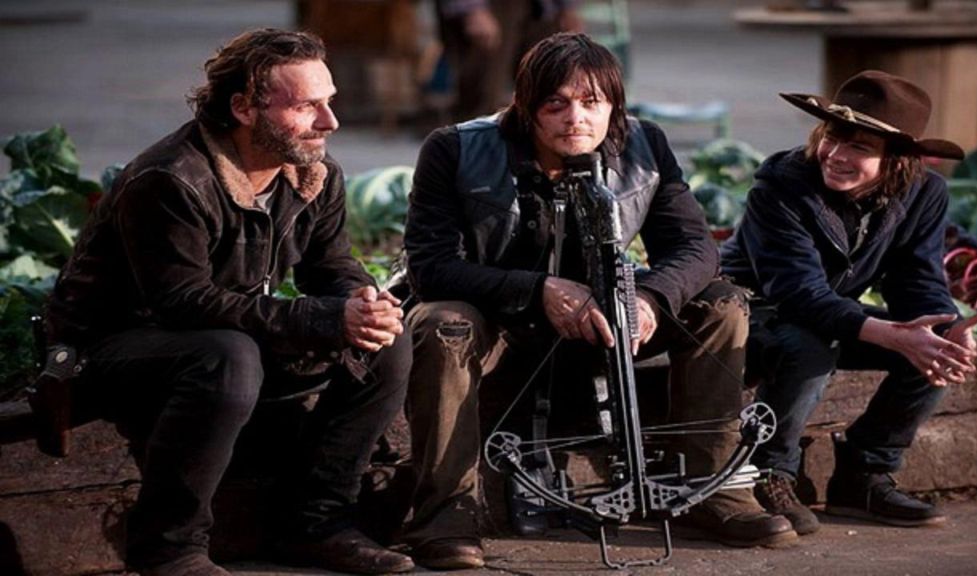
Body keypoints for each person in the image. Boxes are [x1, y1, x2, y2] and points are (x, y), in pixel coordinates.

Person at [401, 32, 797, 570]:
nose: (576, 119)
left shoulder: (644, 146)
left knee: (721, 304)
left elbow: (695, 248)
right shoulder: (455, 149)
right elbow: (430, 267)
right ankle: (447, 512)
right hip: (500, 320)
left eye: (592, 102)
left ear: (614, 105)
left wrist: (650, 300)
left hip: (604, 320)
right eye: (556, 104)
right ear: (526, 107)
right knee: (443, 322)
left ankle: (713, 489)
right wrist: (537, 290)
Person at [44, 29, 413, 576]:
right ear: (243, 108)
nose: (330, 121)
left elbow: (329, 265)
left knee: (384, 346)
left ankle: (315, 524)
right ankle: (168, 547)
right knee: (227, 357)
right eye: (306, 106)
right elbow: (181, 303)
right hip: (111, 348)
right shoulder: (171, 180)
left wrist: (363, 302)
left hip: (222, 334)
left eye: (329, 101)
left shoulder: (313, 172)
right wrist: (321, 317)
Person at [721, 70, 977, 536]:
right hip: (749, 311)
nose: (836, 155)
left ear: (896, 159)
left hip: (824, 313)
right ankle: (769, 472)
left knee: (935, 349)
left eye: (859, 147)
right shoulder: (781, 185)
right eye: (832, 137)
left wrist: (945, 329)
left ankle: (863, 475)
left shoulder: (924, 193)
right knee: (809, 347)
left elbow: (917, 281)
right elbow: (797, 292)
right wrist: (891, 335)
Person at [434, 0, 582, 121]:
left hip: (543, 9)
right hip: (490, 8)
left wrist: (567, 6)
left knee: (545, 93)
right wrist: (472, 8)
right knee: (482, 100)